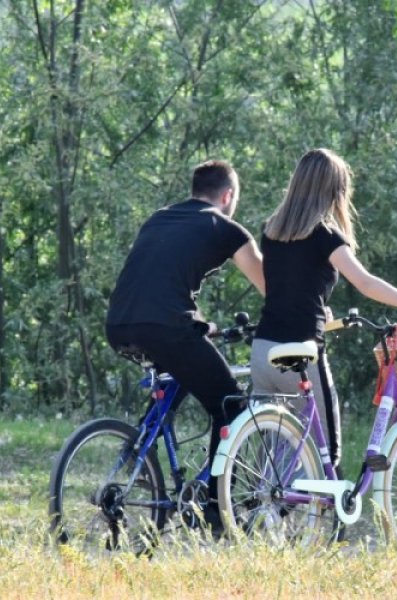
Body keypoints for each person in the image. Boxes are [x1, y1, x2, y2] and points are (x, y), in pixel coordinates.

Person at [250, 148, 397, 473]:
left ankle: (265, 510)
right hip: (301, 352)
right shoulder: (325, 234)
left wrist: (319, 310)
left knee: (274, 445)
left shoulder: (272, 231)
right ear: (334, 191)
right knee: (326, 451)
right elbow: (366, 283)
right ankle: (326, 514)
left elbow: (288, 285)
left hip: (262, 352)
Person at [105, 160, 264, 504]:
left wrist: (200, 323)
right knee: (231, 403)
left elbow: (160, 281)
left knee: (179, 370)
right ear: (228, 195)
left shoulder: (159, 218)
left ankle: (137, 452)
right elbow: (271, 287)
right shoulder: (226, 228)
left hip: (119, 323)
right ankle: (214, 507)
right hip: (165, 326)